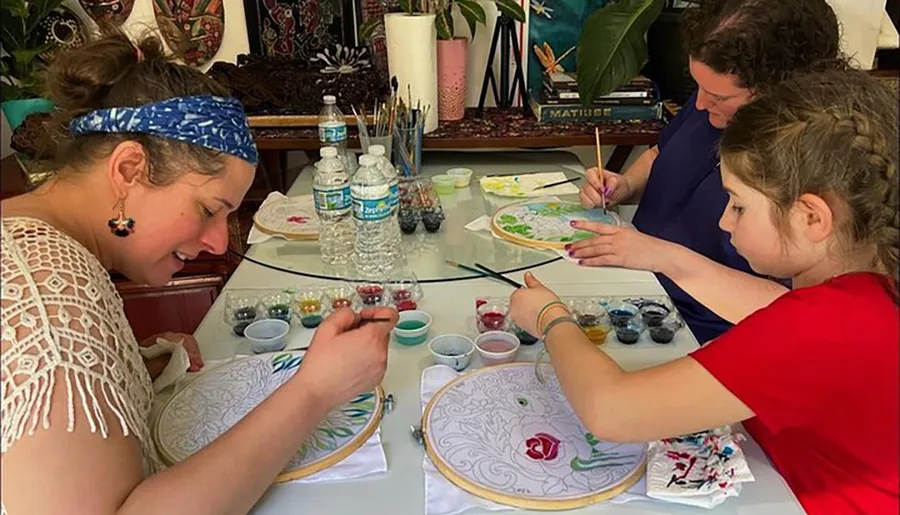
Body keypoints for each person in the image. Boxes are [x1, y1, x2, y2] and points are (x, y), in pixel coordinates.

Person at [0, 33, 398, 514]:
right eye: (209, 209)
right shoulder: (48, 309)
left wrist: (128, 370)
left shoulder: (40, 249)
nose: (216, 242)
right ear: (128, 169)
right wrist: (315, 390)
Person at [510, 68, 899, 514]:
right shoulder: (866, 290)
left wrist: (551, 318)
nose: (724, 222)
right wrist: (666, 257)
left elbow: (610, 411)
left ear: (812, 218)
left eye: (737, 205)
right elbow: (775, 310)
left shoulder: (822, 327)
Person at [572, 0, 844, 342]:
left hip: (708, 336)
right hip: (633, 292)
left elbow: (804, 313)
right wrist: (624, 185)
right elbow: (661, 153)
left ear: (777, 92)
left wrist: (665, 257)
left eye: (717, 96)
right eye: (698, 87)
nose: (700, 104)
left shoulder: (816, 164)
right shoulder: (710, 103)